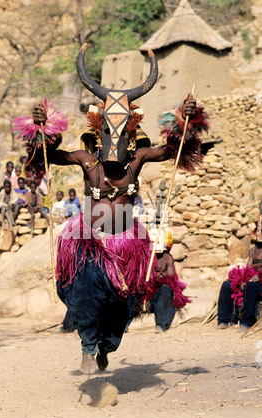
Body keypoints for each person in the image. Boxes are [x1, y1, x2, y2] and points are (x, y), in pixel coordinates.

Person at [12, 44, 208, 374]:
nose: (111, 138)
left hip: (127, 246)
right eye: (105, 130)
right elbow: (40, 157)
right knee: (84, 287)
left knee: (122, 308)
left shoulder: (138, 160)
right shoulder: (85, 160)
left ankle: (105, 345)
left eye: (118, 130)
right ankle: (89, 345)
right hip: (88, 241)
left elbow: (177, 150)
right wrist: (41, 131)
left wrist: (186, 121)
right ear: (97, 130)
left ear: (130, 131)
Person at [217, 215, 262, 333]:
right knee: (227, 285)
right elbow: (248, 269)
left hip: (259, 283)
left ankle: (246, 322)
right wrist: (243, 279)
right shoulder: (253, 250)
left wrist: (258, 277)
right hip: (253, 280)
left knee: (251, 287)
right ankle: (225, 320)